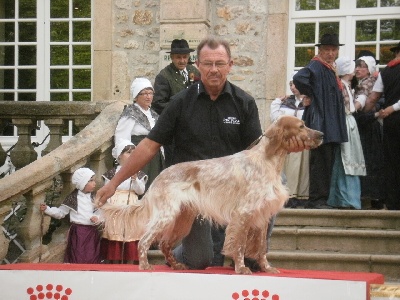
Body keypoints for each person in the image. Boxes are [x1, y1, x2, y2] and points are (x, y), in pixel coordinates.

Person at [96, 36, 272, 270]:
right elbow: (149, 145)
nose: (213, 69)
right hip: (192, 191)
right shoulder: (180, 103)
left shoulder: (244, 103)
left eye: (220, 63)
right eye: (207, 63)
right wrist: (114, 183)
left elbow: (256, 153)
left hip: (231, 192)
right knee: (200, 260)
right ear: (197, 65)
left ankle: (252, 255)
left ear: (230, 65)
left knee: (275, 182)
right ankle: (177, 248)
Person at [293, 33, 348, 209]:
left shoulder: (329, 68)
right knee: (320, 161)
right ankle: (317, 199)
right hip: (321, 122)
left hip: (329, 122)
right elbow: (299, 78)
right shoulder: (316, 65)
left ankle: (323, 198)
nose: (331, 53)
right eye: (327, 50)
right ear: (320, 50)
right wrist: (312, 93)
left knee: (327, 160)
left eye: (334, 50)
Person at [152, 39, 201, 166]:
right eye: (178, 57)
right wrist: (180, 110)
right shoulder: (164, 76)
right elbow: (158, 104)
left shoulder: (194, 71)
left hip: (194, 128)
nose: (182, 60)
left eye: (185, 57)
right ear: (172, 57)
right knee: (175, 164)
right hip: (174, 131)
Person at [326, 56, 366, 209]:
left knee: (346, 159)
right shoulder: (341, 86)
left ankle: (343, 197)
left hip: (349, 123)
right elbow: (348, 108)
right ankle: (345, 198)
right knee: (345, 158)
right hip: (346, 123)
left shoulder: (346, 85)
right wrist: (360, 101)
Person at [364, 41, 400, 210]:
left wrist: (364, 113)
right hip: (392, 115)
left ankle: (393, 202)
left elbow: (372, 98)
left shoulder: (387, 72)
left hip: (392, 121)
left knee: (391, 161)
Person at [39, 168, 102, 264]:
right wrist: (48, 209)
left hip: (92, 232)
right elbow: (61, 212)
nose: (94, 183)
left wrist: (97, 218)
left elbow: (100, 213)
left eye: (93, 180)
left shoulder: (95, 197)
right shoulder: (73, 198)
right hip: (78, 232)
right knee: (78, 255)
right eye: (90, 181)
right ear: (82, 183)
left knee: (92, 255)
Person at [100, 139, 147, 264]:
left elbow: (141, 191)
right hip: (115, 204)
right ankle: (114, 261)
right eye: (128, 152)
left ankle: (130, 261)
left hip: (131, 204)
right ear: (119, 155)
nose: (131, 155)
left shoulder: (138, 172)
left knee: (131, 231)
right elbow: (107, 189)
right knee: (115, 231)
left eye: (133, 153)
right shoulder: (111, 173)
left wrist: (136, 180)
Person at [114, 77, 164, 192]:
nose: (148, 96)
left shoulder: (153, 114)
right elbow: (121, 138)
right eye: (144, 93)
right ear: (136, 96)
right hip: (139, 154)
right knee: (143, 187)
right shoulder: (130, 113)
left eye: (150, 93)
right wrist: (126, 159)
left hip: (154, 156)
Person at [270, 71, 309, 208]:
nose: (293, 87)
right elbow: (276, 120)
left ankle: (302, 197)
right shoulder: (287, 102)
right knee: (289, 169)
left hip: (303, 141)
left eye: (296, 84)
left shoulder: (310, 101)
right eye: (291, 84)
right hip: (288, 142)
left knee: (304, 170)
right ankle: (289, 197)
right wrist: (277, 102)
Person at [353, 55, 385, 209]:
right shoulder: (358, 85)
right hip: (362, 127)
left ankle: (373, 198)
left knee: (371, 161)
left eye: (362, 66)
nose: (357, 69)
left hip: (370, 129)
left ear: (369, 70)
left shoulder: (371, 85)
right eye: (356, 65)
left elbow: (376, 105)